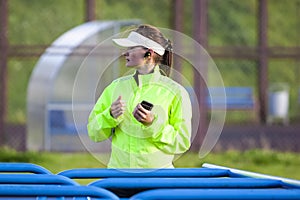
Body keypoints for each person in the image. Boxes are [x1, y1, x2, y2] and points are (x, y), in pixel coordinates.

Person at [87, 24, 192, 168]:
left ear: (148, 53)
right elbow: (93, 132)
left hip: (158, 180)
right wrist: (109, 115)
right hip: (118, 178)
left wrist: (153, 123)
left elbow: (182, 142)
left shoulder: (176, 92)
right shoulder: (115, 87)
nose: (125, 53)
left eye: (131, 48)